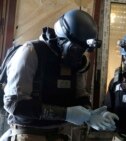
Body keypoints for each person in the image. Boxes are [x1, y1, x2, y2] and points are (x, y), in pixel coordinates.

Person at [0, 9, 119, 141]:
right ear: (62, 39)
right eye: (75, 49)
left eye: (82, 51)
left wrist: (90, 115)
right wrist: (66, 114)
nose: (78, 55)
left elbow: (80, 96)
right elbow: (14, 103)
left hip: (60, 134)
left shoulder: (75, 61)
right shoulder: (32, 52)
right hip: (30, 134)